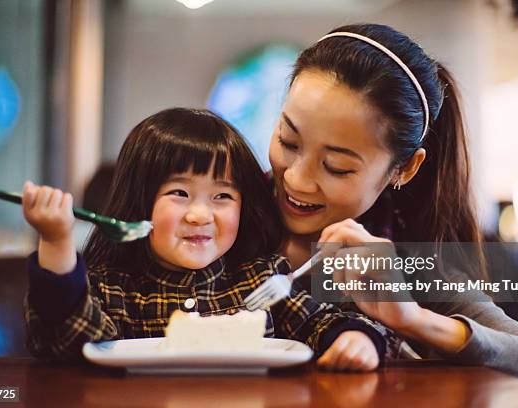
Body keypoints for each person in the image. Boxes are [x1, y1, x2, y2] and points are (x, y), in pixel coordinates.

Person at [268, 23, 518, 384]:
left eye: (337, 167)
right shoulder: (218, 214)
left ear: (404, 169)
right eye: (288, 141)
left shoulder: (405, 263)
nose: (295, 179)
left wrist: (415, 320)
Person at [21, 107, 401, 371]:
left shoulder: (259, 278)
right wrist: (56, 240)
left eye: (222, 197)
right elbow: (71, 340)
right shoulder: (114, 287)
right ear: (140, 204)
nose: (200, 215)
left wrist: (356, 339)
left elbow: (320, 323)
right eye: (179, 194)